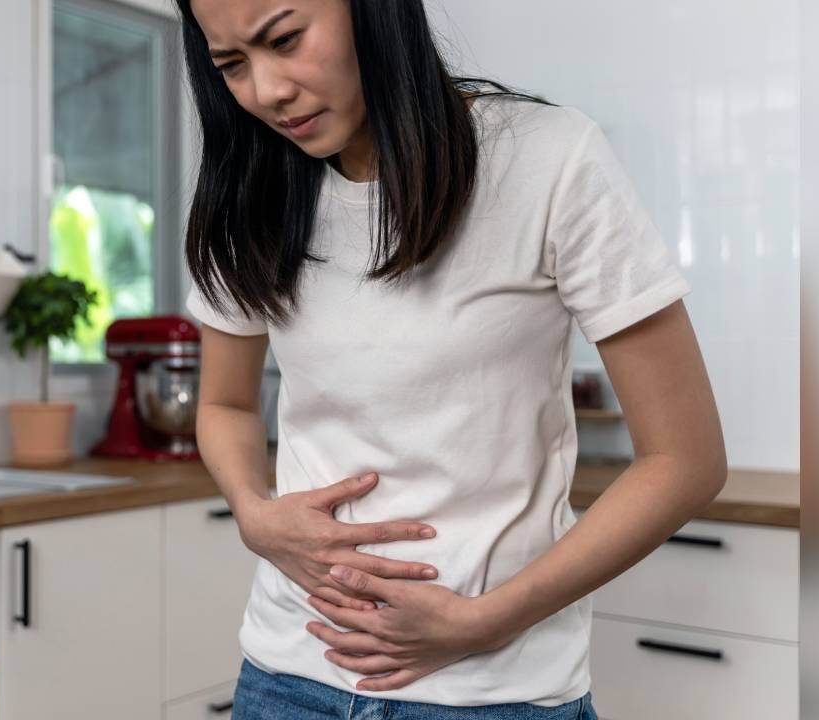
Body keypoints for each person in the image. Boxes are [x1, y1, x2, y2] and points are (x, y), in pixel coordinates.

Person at [177, 1, 727, 718]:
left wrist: (486, 621)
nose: (267, 91)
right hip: (287, 679)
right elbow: (223, 404)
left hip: (496, 693)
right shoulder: (253, 189)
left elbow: (686, 461)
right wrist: (254, 512)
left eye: (285, 39)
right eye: (231, 65)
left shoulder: (547, 160)